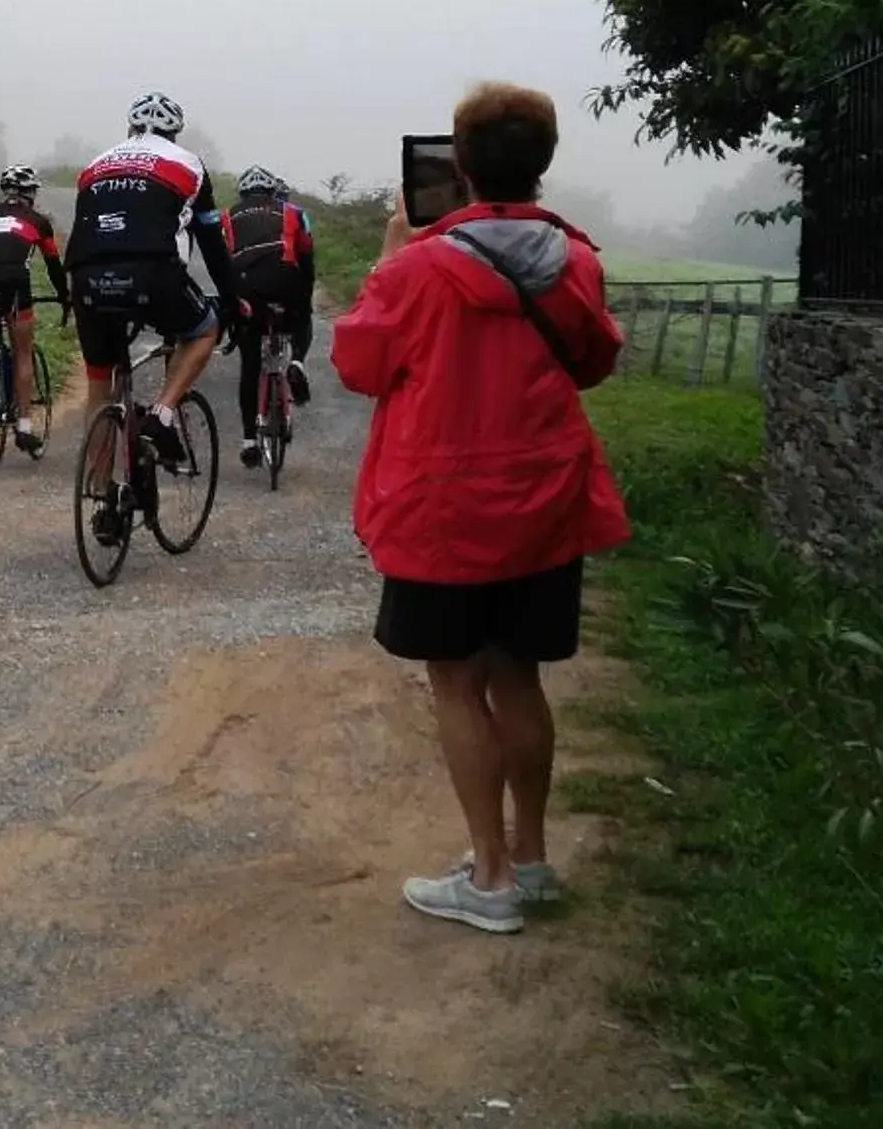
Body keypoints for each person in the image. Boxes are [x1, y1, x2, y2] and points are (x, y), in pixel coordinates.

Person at [331, 82, 629, 935]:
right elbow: (594, 360)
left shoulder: (420, 268)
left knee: (457, 684)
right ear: (541, 164)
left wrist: (391, 258)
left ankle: (487, 879)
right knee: (519, 676)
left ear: (458, 166)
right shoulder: (576, 261)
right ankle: (529, 861)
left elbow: (358, 362)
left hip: (443, 510)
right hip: (544, 499)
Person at [67, 93, 244, 529]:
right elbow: (210, 242)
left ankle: (102, 496)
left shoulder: (94, 165)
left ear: (130, 129)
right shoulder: (188, 164)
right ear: (174, 132)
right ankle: (162, 415)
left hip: (87, 278)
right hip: (153, 273)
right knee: (203, 329)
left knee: (100, 385)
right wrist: (233, 300)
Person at [0, 164, 69, 456]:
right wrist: (64, 297)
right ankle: (23, 427)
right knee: (23, 351)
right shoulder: (38, 221)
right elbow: (53, 266)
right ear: (30, 193)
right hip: (15, 284)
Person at [222, 165, 318, 467]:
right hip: (285, 281)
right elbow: (306, 257)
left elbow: (223, 262)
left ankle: (250, 440)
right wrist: (305, 296)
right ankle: (298, 361)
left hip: (248, 286)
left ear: (243, 194)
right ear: (273, 193)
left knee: (250, 362)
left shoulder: (228, 216)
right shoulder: (291, 212)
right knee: (301, 318)